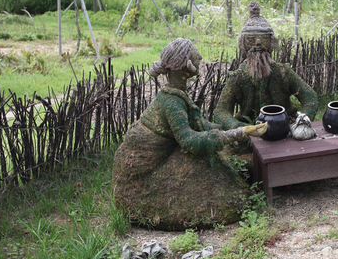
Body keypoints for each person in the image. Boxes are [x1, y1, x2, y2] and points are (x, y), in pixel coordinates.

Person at [113, 38, 267, 230]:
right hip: (142, 171)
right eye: (196, 55)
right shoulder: (172, 102)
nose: (200, 57)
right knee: (204, 162)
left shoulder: (176, 94)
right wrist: (235, 134)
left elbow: (198, 123)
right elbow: (190, 141)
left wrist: (228, 132)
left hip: (156, 157)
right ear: (186, 66)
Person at [213, 1, 319, 130]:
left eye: (263, 39)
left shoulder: (283, 73)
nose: (258, 43)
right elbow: (221, 111)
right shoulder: (237, 78)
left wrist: (303, 119)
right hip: (249, 128)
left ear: (271, 42)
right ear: (242, 44)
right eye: (251, 39)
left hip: (285, 126)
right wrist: (238, 127)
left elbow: (309, 97)